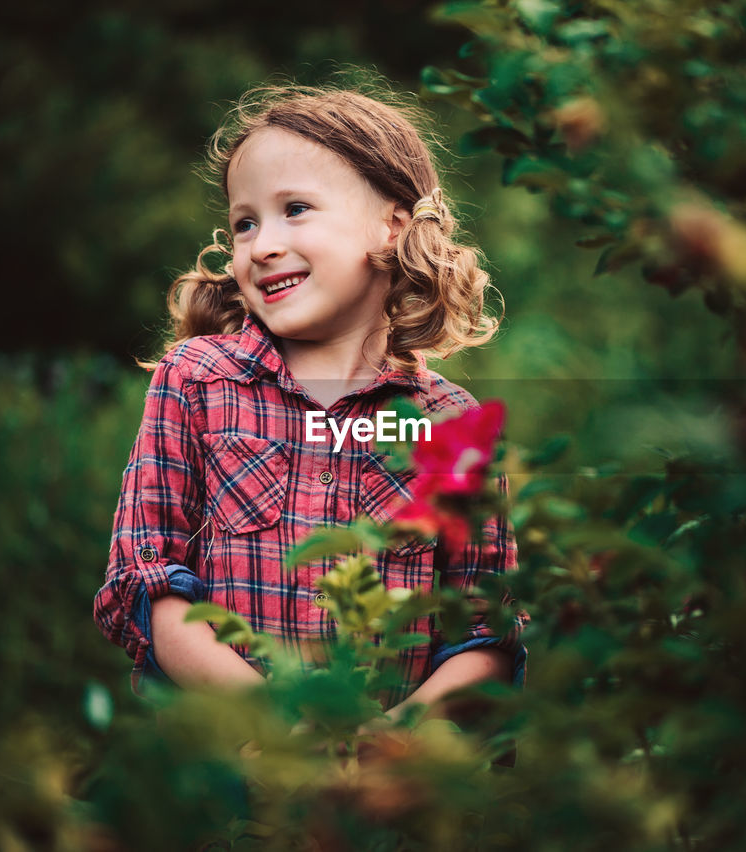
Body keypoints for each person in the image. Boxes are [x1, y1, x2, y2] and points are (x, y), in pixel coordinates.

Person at [91, 84, 524, 727]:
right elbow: (147, 584)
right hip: (227, 768)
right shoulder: (197, 383)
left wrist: (394, 745)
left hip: (388, 796)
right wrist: (281, 727)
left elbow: (488, 634)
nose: (262, 245)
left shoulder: (451, 424)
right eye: (245, 222)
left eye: (295, 209)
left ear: (393, 226)